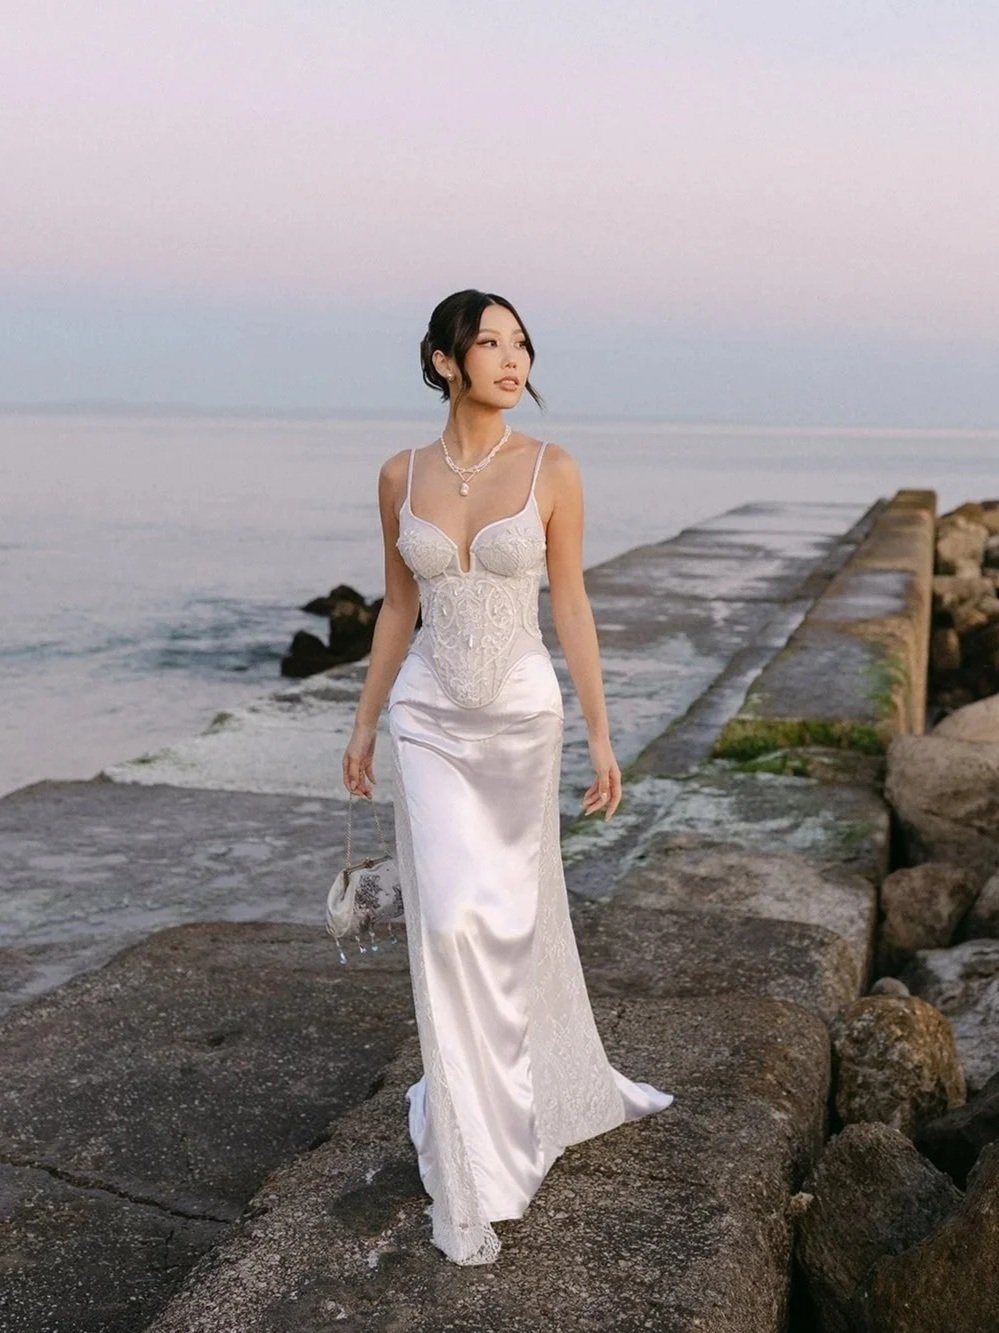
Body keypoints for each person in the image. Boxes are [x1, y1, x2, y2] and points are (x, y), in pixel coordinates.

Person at [342, 289, 674, 1265]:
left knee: (506, 920)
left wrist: (604, 739)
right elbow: (398, 607)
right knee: (446, 922)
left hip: (522, 721)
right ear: (445, 361)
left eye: (521, 342)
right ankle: (467, 1131)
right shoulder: (398, 475)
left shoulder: (553, 468)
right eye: (489, 343)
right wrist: (365, 723)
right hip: (428, 721)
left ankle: (519, 1095)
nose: (512, 358)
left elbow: (570, 602)